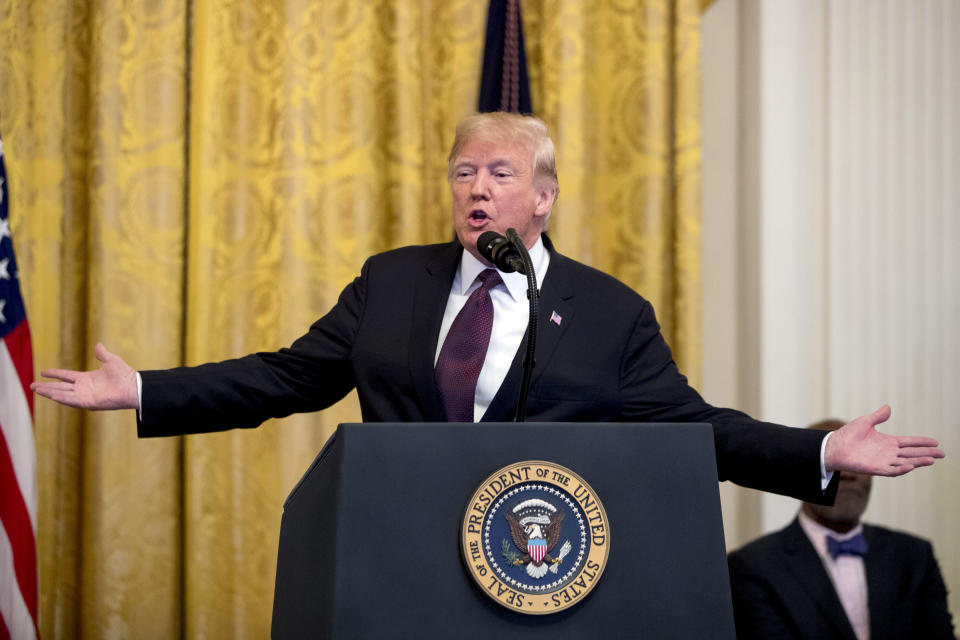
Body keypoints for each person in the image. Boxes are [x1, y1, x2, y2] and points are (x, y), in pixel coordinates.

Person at [31, 112, 944, 504]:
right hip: (397, 546)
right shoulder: (393, 282)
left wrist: (819, 451)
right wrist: (145, 388)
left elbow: (692, 428)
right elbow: (286, 377)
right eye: (464, 171)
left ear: (543, 197)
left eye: (499, 173)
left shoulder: (609, 311)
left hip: (543, 563)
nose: (476, 188)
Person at [728, 419, 956, 640]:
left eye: (863, 460)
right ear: (796, 476)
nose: (849, 473)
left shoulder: (915, 556)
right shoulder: (752, 566)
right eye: (834, 463)